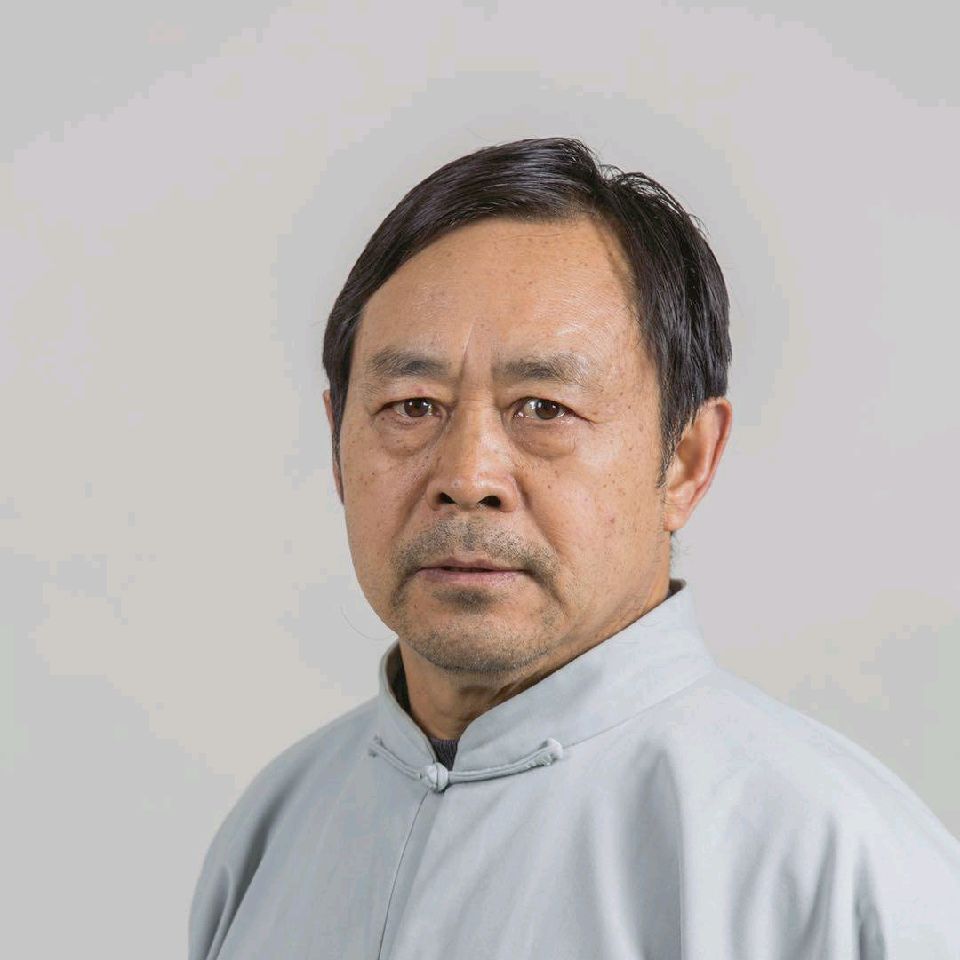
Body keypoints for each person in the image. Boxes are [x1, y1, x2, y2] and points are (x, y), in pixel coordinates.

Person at [187, 138, 960, 959]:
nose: (467, 477)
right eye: (412, 406)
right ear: (337, 446)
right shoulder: (275, 832)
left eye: (544, 408)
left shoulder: (833, 870)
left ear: (686, 459)